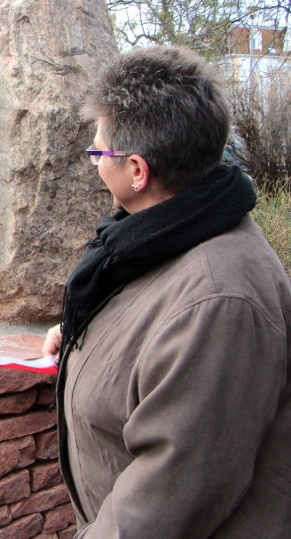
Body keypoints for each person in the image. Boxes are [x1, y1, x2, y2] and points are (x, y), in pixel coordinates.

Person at [41, 45, 290, 537]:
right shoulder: (162, 233)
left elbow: (167, 500)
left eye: (98, 152)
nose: (94, 164)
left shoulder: (221, 301)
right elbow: (151, 333)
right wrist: (83, 340)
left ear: (137, 171)